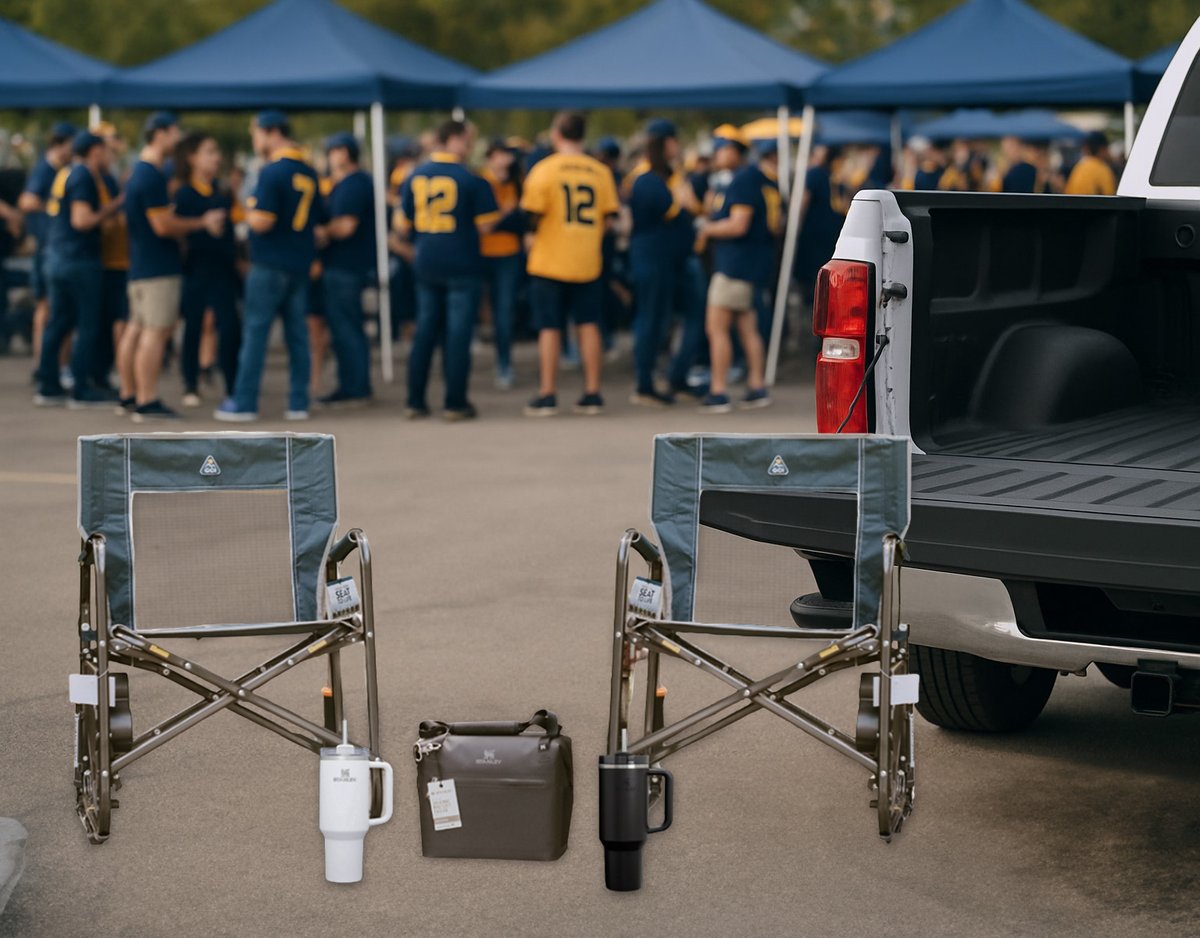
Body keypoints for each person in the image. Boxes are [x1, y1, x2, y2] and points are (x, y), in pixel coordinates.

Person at [216, 110, 324, 422]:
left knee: (256, 333)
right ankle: (298, 402)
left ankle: (245, 401)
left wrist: (245, 213)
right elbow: (318, 220)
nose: (255, 140)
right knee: (297, 336)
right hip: (299, 262)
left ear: (270, 132)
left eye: (256, 133)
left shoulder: (272, 172)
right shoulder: (309, 170)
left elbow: (262, 221)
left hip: (269, 263)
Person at [118, 112, 222, 421]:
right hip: (157, 267)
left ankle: (128, 394)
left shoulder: (139, 172)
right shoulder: (151, 176)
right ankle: (147, 400)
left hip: (141, 264)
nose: (177, 140)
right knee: (156, 331)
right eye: (174, 133)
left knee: (136, 329)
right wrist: (201, 222)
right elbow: (162, 225)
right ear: (160, 134)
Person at [397, 119, 498, 421]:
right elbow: (486, 225)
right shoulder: (472, 178)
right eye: (467, 141)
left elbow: (402, 226)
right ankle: (454, 402)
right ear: (453, 139)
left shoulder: (414, 175)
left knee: (425, 331)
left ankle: (414, 400)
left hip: (426, 259)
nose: (470, 147)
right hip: (462, 262)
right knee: (458, 334)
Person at [520, 110, 619, 417]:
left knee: (549, 327)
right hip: (587, 259)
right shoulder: (599, 171)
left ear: (557, 133)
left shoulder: (544, 170)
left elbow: (532, 215)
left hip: (549, 258)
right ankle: (592, 392)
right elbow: (608, 219)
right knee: (589, 325)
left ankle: (548, 392)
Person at [33, 131, 124, 407]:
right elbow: (81, 220)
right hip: (79, 259)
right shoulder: (84, 176)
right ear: (95, 151)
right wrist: (112, 208)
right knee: (87, 324)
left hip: (57, 257)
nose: (110, 155)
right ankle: (81, 387)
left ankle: (48, 384)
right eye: (106, 150)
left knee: (59, 321)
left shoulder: (66, 173)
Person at [696, 138, 781, 413]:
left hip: (735, 265)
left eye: (721, 149)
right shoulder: (760, 178)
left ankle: (718, 390)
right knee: (747, 326)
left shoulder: (743, 180)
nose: (717, 155)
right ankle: (757, 386)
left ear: (734, 151)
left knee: (717, 327)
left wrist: (708, 229)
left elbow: (738, 224)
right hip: (752, 264)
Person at [174, 131, 241, 407]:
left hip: (224, 270)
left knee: (230, 328)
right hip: (195, 270)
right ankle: (191, 383)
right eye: (209, 152)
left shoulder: (224, 193)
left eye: (216, 152)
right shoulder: (183, 194)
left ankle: (232, 385)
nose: (216, 158)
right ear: (192, 158)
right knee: (193, 327)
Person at [626, 119, 685, 407]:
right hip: (651, 258)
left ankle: (646, 381)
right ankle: (643, 384)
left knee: (654, 321)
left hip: (655, 257)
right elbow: (674, 212)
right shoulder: (648, 181)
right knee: (650, 321)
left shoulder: (653, 178)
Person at [317, 132, 375, 406]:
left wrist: (322, 232)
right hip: (345, 266)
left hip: (346, 266)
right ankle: (353, 383)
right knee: (346, 328)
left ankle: (355, 386)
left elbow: (346, 226)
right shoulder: (348, 183)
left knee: (346, 328)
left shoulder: (354, 184)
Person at [19, 121, 75, 369]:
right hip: (46, 248)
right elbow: (27, 201)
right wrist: (55, 209)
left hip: (52, 247)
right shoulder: (45, 169)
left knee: (54, 308)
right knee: (47, 306)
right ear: (60, 144)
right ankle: (44, 363)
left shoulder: (59, 169)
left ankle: (50, 363)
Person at [479, 140, 524, 389]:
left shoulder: (517, 181)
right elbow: (486, 223)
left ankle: (504, 363)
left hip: (508, 252)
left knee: (504, 310)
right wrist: (505, 214)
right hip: (482, 252)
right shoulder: (481, 181)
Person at [93, 121, 129, 392]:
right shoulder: (92, 177)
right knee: (106, 324)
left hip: (115, 260)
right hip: (106, 262)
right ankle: (98, 377)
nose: (114, 148)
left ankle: (102, 376)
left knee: (113, 322)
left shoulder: (107, 176)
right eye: (109, 143)